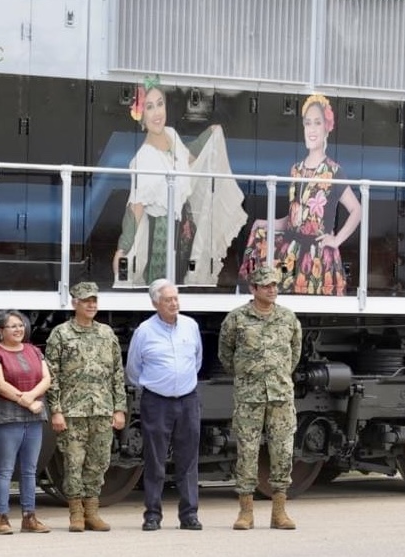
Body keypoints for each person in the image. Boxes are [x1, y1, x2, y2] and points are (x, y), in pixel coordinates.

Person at [112, 77, 246, 287]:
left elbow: (187, 159)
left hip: (183, 229)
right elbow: (136, 207)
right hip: (161, 235)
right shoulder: (143, 158)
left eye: (160, 104)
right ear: (141, 117)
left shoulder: (171, 135)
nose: (157, 113)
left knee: (181, 282)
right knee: (160, 285)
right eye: (149, 107)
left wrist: (209, 136)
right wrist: (123, 248)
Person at [239, 93, 362, 295]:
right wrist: (268, 223)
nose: (311, 129)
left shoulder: (333, 171)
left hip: (318, 257)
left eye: (317, 123)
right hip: (293, 252)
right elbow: (295, 216)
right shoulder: (295, 169)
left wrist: (337, 240)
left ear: (326, 128)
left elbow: (356, 210)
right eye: (307, 123)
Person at [218, 265, 302, 531]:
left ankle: (279, 512)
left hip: (280, 396)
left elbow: (295, 354)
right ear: (253, 289)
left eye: (275, 285)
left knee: (282, 452)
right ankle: (246, 513)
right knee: (247, 452)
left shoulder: (288, 319)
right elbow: (226, 354)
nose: (272, 289)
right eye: (266, 286)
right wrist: (248, 377)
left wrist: (277, 377)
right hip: (249, 397)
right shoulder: (237, 319)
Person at [45, 281, 127, 533]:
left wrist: (119, 408)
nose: (92, 304)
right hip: (72, 411)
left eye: (94, 300)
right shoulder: (61, 334)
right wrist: (56, 410)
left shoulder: (106, 333)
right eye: (86, 300)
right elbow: (52, 374)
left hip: (102, 409)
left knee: (99, 462)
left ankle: (92, 511)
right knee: (73, 462)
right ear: (74, 304)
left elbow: (117, 373)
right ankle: (75, 514)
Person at [126, 279, 203, 532]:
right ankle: (152, 515)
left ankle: (189, 515)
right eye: (168, 299)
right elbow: (133, 371)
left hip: (188, 400)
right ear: (155, 303)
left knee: (188, 460)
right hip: (156, 402)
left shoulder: (191, 326)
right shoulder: (144, 331)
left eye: (176, 298)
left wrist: (179, 382)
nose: (174, 303)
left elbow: (197, 360)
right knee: (155, 460)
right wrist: (160, 385)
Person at [0, 310, 51, 535]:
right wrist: (27, 401)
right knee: (5, 470)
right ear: (0, 331)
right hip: (6, 418)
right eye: (12, 326)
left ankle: (29, 517)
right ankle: (2, 518)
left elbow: (46, 379)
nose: (18, 329)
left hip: (33, 417)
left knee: (30, 471)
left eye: (20, 325)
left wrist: (31, 398)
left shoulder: (33, 350)